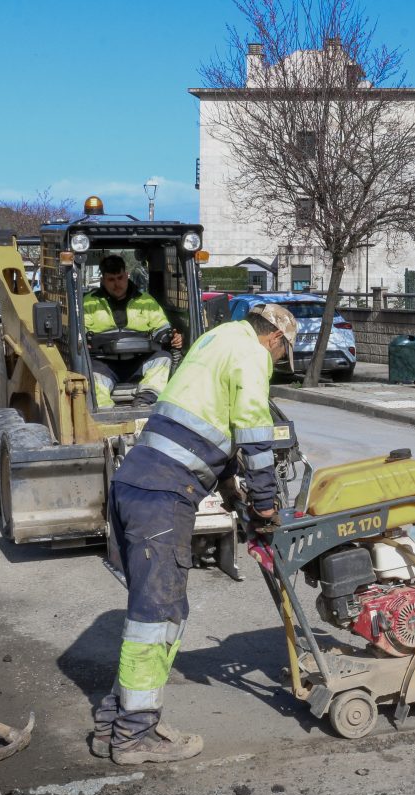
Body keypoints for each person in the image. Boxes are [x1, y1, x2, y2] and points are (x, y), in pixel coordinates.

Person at [90, 303, 297, 765]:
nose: (276, 363)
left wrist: (228, 491)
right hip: (164, 495)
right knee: (159, 615)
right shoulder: (252, 354)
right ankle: (134, 735)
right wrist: (264, 504)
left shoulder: (214, 341)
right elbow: (255, 436)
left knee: (151, 611)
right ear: (275, 340)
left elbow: (204, 429)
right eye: (282, 355)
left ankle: (114, 721)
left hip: (135, 484)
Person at [83, 254, 183, 408]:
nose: (117, 284)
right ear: (103, 280)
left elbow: (161, 328)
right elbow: (80, 332)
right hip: (104, 364)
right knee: (89, 370)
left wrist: (171, 337)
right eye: (111, 280)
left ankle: (146, 401)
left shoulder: (146, 300)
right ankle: (105, 414)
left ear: (126, 275)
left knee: (164, 357)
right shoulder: (89, 302)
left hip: (138, 362)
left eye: (120, 277)